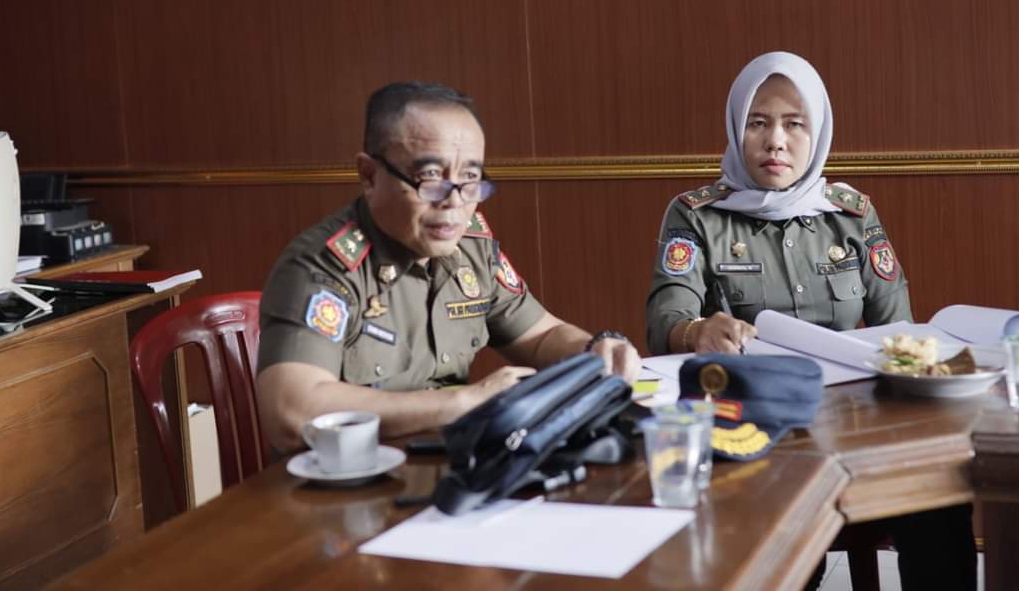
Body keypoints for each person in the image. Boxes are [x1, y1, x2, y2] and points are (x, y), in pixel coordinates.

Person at [645, 52, 976, 590]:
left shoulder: (852, 213)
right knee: (784, 539)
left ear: (816, 131)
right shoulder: (696, 214)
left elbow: (902, 332)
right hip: (760, 426)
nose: (775, 140)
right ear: (736, 128)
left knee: (939, 501)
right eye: (758, 122)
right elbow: (666, 319)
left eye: (794, 124)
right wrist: (698, 330)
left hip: (860, 427)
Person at [257, 81, 640, 452]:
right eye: (431, 178)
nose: (454, 203)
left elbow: (541, 336)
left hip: (443, 472)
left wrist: (596, 349)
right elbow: (292, 411)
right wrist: (464, 404)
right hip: (340, 490)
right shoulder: (325, 267)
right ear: (369, 175)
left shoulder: (471, 249)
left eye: (470, 179)